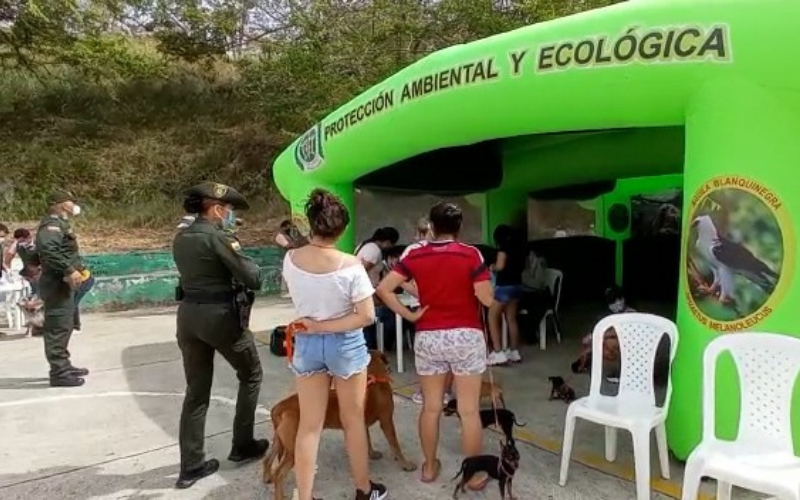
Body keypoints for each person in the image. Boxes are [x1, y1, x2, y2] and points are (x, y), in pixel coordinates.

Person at [376, 201, 496, 486]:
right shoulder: (470, 254)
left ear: (431, 226)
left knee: (431, 407)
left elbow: (383, 288)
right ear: (459, 227)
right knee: (468, 410)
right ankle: (474, 474)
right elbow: (486, 298)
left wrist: (410, 314)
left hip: (429, 336)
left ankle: (429, 467)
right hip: (466, 336)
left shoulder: (414, 254)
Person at [284, 188, 390, 500]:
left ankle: (304, 496)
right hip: (346, 346)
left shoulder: (291, 259)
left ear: (313, 225)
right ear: (342, 229)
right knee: (353, 420)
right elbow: (366, 316)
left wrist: (315, 326)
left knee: (310, 425)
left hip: (306, 343)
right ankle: (363, 490)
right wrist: (325, 326)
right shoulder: (351, 265)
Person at [172, 182, 268, 489]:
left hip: (188, 317)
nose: (230, 215)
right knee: (251, 373)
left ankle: (191, 466)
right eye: (228, 210)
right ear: (216, 209)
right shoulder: (219, 237)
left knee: (196, 392)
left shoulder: (182, 236)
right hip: (221, 317)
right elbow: (253, 278)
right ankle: (242, 444)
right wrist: (238, 246)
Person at [35, 190, 90, 387]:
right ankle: (58, 372)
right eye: (70, 201)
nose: (73, 204)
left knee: (65, 325)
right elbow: (48, 250)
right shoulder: (51, 224)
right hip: (57, 283)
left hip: (62, 283)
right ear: (61, 204)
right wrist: (68, 269)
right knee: (58, 327)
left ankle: (64, 365)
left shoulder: (60, 223)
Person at [487, 224, 528, 366]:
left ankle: (498, 352)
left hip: (504, 287)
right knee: (511, 318)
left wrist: (491, 266)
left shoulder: (503, 249)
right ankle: (514, 352)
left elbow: (500, 266)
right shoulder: (520, 249)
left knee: (492, 317)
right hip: (517, 286)